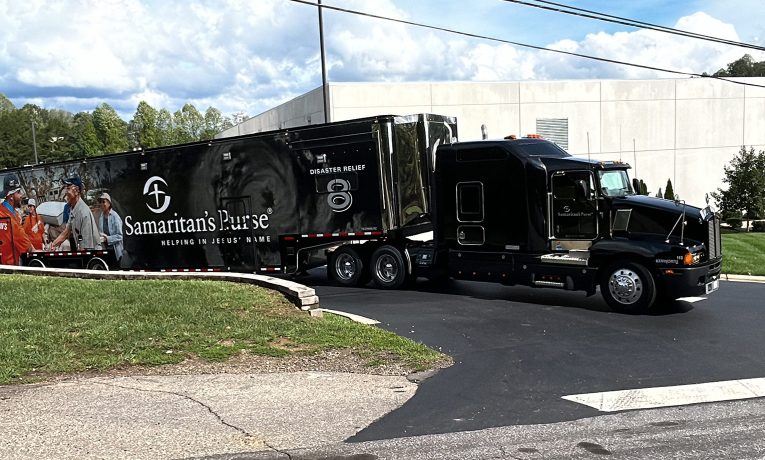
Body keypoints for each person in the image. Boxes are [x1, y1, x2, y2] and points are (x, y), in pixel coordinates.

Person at [51, 176, 102, 250]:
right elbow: (66, 232)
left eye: (68, 188)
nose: (66, 192)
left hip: (92, 254)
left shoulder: (83, 212)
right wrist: (53, 244)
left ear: (77, 190)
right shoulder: (73, 209)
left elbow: (86, 246)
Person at [0, 175, 35, 265]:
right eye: (18, 192)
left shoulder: (14, 214)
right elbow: (25, 244)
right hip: (7, 268)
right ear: (11, 196)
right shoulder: (6, 217)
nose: (21, 195)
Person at [98, 192, 123, 262]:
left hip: (116, 252)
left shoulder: (115, 216)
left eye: (103, 202)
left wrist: (107, 239)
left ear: (109, 203)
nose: (102, 204)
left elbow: (120, 236)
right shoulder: (101, 217)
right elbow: (101, 232)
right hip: (106, 251)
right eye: (100, 202)